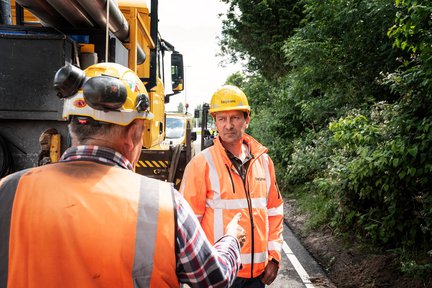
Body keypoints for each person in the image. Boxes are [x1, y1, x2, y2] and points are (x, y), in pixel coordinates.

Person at [0, 63, 246, 287]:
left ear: (72, 126)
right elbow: (215, 278)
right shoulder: (164, 205)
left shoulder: (7, 191)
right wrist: (232, 239)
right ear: (132, 135)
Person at [180, 85, 284, 287]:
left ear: (247, 119)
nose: (228, 125)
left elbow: (274, 210)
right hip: (219, 274)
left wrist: (274, 256)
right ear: (215, 123)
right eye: (222, 119)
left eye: (235, 118)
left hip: (258, 276)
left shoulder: (264, 162)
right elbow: (187, 228)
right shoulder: (200, 165)